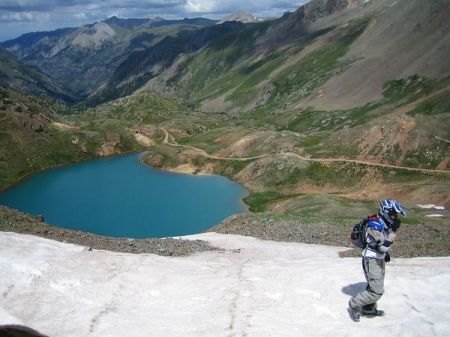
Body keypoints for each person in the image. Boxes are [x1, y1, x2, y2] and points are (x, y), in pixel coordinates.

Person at [348, 199, 406, 322]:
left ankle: (368, 309)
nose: (395, 218)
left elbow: (380, 245)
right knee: (376, 291)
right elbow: (382, 245)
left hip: (377, 258)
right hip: (371, 260)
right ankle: (354, 304)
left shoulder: (382, 222)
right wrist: (393, 232)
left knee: (374, 284)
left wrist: (385, 253)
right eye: (393, 214)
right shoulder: (374, 225)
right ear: (386, 212)